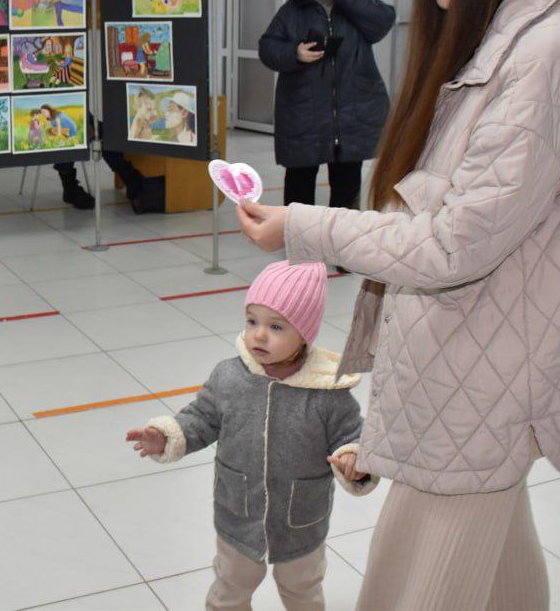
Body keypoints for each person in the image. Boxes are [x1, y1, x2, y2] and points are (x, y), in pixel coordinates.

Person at [237, 0, 560, 611]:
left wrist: (304, 227)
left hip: (485, 370)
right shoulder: (504, 38)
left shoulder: (547, 57)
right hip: (474, 356)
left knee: (409, 584)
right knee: (504, 580)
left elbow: (454, 243)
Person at [127, 261, 376, 610]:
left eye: (276, 326)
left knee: (303, 591)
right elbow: (201, 418)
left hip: (301, 522)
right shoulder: (230, 377)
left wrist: (353, 457)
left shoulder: (327, 392)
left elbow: (352, 435)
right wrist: (167, 435)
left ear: (305, 333)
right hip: (238, 516)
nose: (258, 335)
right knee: (229, 590)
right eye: (252, 321)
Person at [257, 0, 395, 225]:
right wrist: (295, 53)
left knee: (347, 184)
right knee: (299, 182)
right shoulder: (295, 8)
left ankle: (341, 241)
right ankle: (298, 236)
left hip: (351, 113)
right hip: (304, 112)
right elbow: (267, 48)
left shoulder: (362, 3)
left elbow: (383, 22)